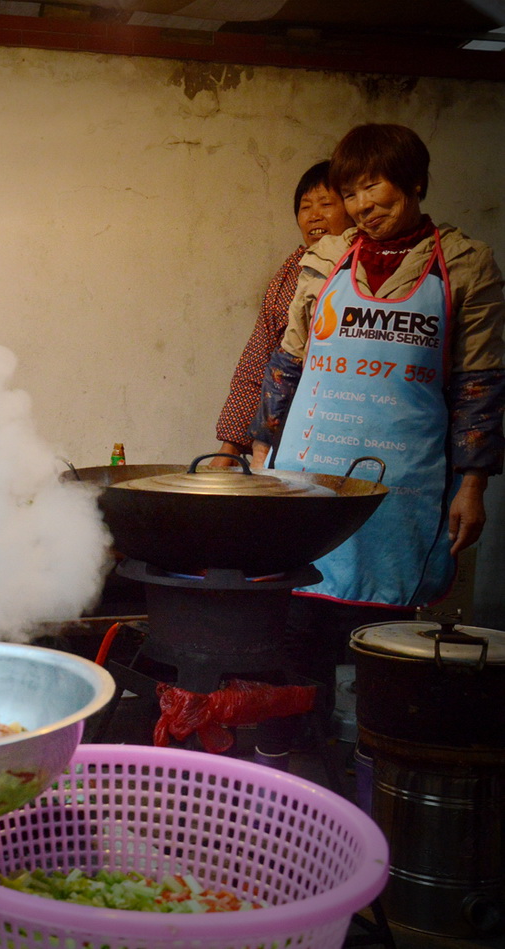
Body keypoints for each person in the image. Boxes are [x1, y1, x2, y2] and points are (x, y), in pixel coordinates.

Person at [248, 124, 505, 754]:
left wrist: (472, 485)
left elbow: (481, 384)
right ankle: (282, 759)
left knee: (379, 630)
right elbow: (289, 362)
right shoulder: (325, 259)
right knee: (296, 619)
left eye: (374, 186)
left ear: (414, 182)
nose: (363, 205)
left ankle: (369, 766)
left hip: (402, 484)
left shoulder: (465, 263)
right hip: (307, 473)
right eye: (351, 192)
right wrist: (261, 451)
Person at [211, 161, 353, 465]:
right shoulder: (290, 274)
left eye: (327, 204)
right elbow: (258, 360)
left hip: (348, 427)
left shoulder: (367, 272)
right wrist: (230, 447)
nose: (315, 215)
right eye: (305, 207)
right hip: (287, 433)